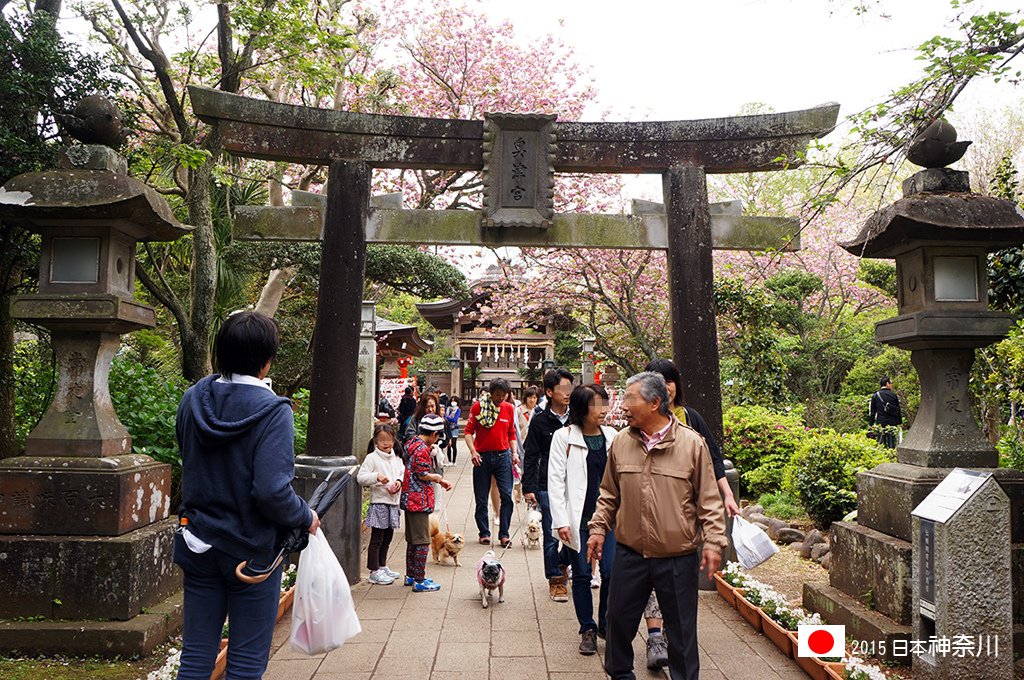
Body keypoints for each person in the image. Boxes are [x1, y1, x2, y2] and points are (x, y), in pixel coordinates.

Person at [173, 311, 319, 679]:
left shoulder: (193, 399)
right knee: (246, 662)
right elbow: (271, 492)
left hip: (198, 541)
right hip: (251, 555)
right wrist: (305, 516)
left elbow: (189, 458)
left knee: (195, 656)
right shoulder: (273, 411)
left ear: (220, 351)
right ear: (267, 360)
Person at [587, 372, 727, 680]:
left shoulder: (691, 444)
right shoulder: (622, 442)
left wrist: (715, 542)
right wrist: (598, 528)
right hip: (630, 552)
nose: (622, 405)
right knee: (618, 621)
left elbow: (709, 499)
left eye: (629, 398)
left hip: (676, 555)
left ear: (654, 403)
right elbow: (609, 492)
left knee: (681, 632)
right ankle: (621, 675)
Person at [641, 358, 743, 668]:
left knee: (680, 576)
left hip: (687, 513)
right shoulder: (640, 421)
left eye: (669, 380)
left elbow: (714, 459)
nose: (665, 387)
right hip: (653, 512)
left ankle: (675, 633)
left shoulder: (691, 418)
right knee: (653, 573)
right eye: (658, 381)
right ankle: (655, 637)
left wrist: (727, 496)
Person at [548, 384, 618, 656]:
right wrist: (561, 520)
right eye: (596, 405)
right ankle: (587, 628)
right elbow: (555, 481)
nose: (602, 410)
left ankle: (605, 622)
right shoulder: (563, 437)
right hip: (578, 517)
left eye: (604, 403)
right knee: (581, 574)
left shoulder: (612, 436)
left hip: (608, 518)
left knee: (611, 572)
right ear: (581, 408)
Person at [522, 367, 574, 602]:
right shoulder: (540, 421)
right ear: (550, 392)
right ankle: (555, 579)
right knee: (551, 534)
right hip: (546, 484)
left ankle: (563, 562)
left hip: (575, 484)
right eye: (563, 389)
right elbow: (531, 455)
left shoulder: (578, 419)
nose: (568, 393)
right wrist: (528, 487)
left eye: (570, 388)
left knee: (575, 532)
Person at [464, 378, 519, 547]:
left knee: (507, 497)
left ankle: (504, 534)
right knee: (481, 498)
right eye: (497, 395)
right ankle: (484, 532)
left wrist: (514, 453)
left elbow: (511, 433)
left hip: (503, 456)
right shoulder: (478, 407)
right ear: (491, 393)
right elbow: (468, 432)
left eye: (503, 395)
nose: (500, 398)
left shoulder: (509, 409)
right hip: (482, 457)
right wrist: (473, 451)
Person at [401, 413, 452, 592]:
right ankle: (420, 580)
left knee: (412, 541)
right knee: (422, 542)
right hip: (418, 500)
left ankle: (410, 575)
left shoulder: (412, 443)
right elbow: (422, 474)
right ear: (434, 434)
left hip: (409, 498)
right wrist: (438, 478)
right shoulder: (423, 449)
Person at [357, 424, 404, 585]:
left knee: (388, 537)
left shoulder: (396, 456)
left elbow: (402, 471)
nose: (386, 443)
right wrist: (377, 477)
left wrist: (399, 481)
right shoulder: (372, 458)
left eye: (389, 440)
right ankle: (373, 569)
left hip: (393, 503)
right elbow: (361, 477)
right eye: (382, 440)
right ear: (375, 441)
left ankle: (382, 565)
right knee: (377, 537)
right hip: (379, 503)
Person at [869, 377, 902, 448]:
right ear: (887, 383)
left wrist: (871, 424)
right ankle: (891, 456)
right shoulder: (893, 395)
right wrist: (900, 422)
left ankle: (882, 457)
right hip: (892, 422)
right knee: (891, 442)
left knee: (881, 443)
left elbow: (873, 412)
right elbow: (898, 410)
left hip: (881, 422)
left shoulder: (876, 395)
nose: (892, 385)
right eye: (891, 383)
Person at [444, 396, 462, 465]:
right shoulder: (448, 409)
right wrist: (448, 418)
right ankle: (449, 461)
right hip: (448, 428)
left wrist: (447, 418)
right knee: (448, 445)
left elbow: (454, 419)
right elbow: (444, 417)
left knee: (454, 445)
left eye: (455, 401)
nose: (453, 402)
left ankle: (454, 461)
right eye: (452, 400)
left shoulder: (458, 410)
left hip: (454, 429)